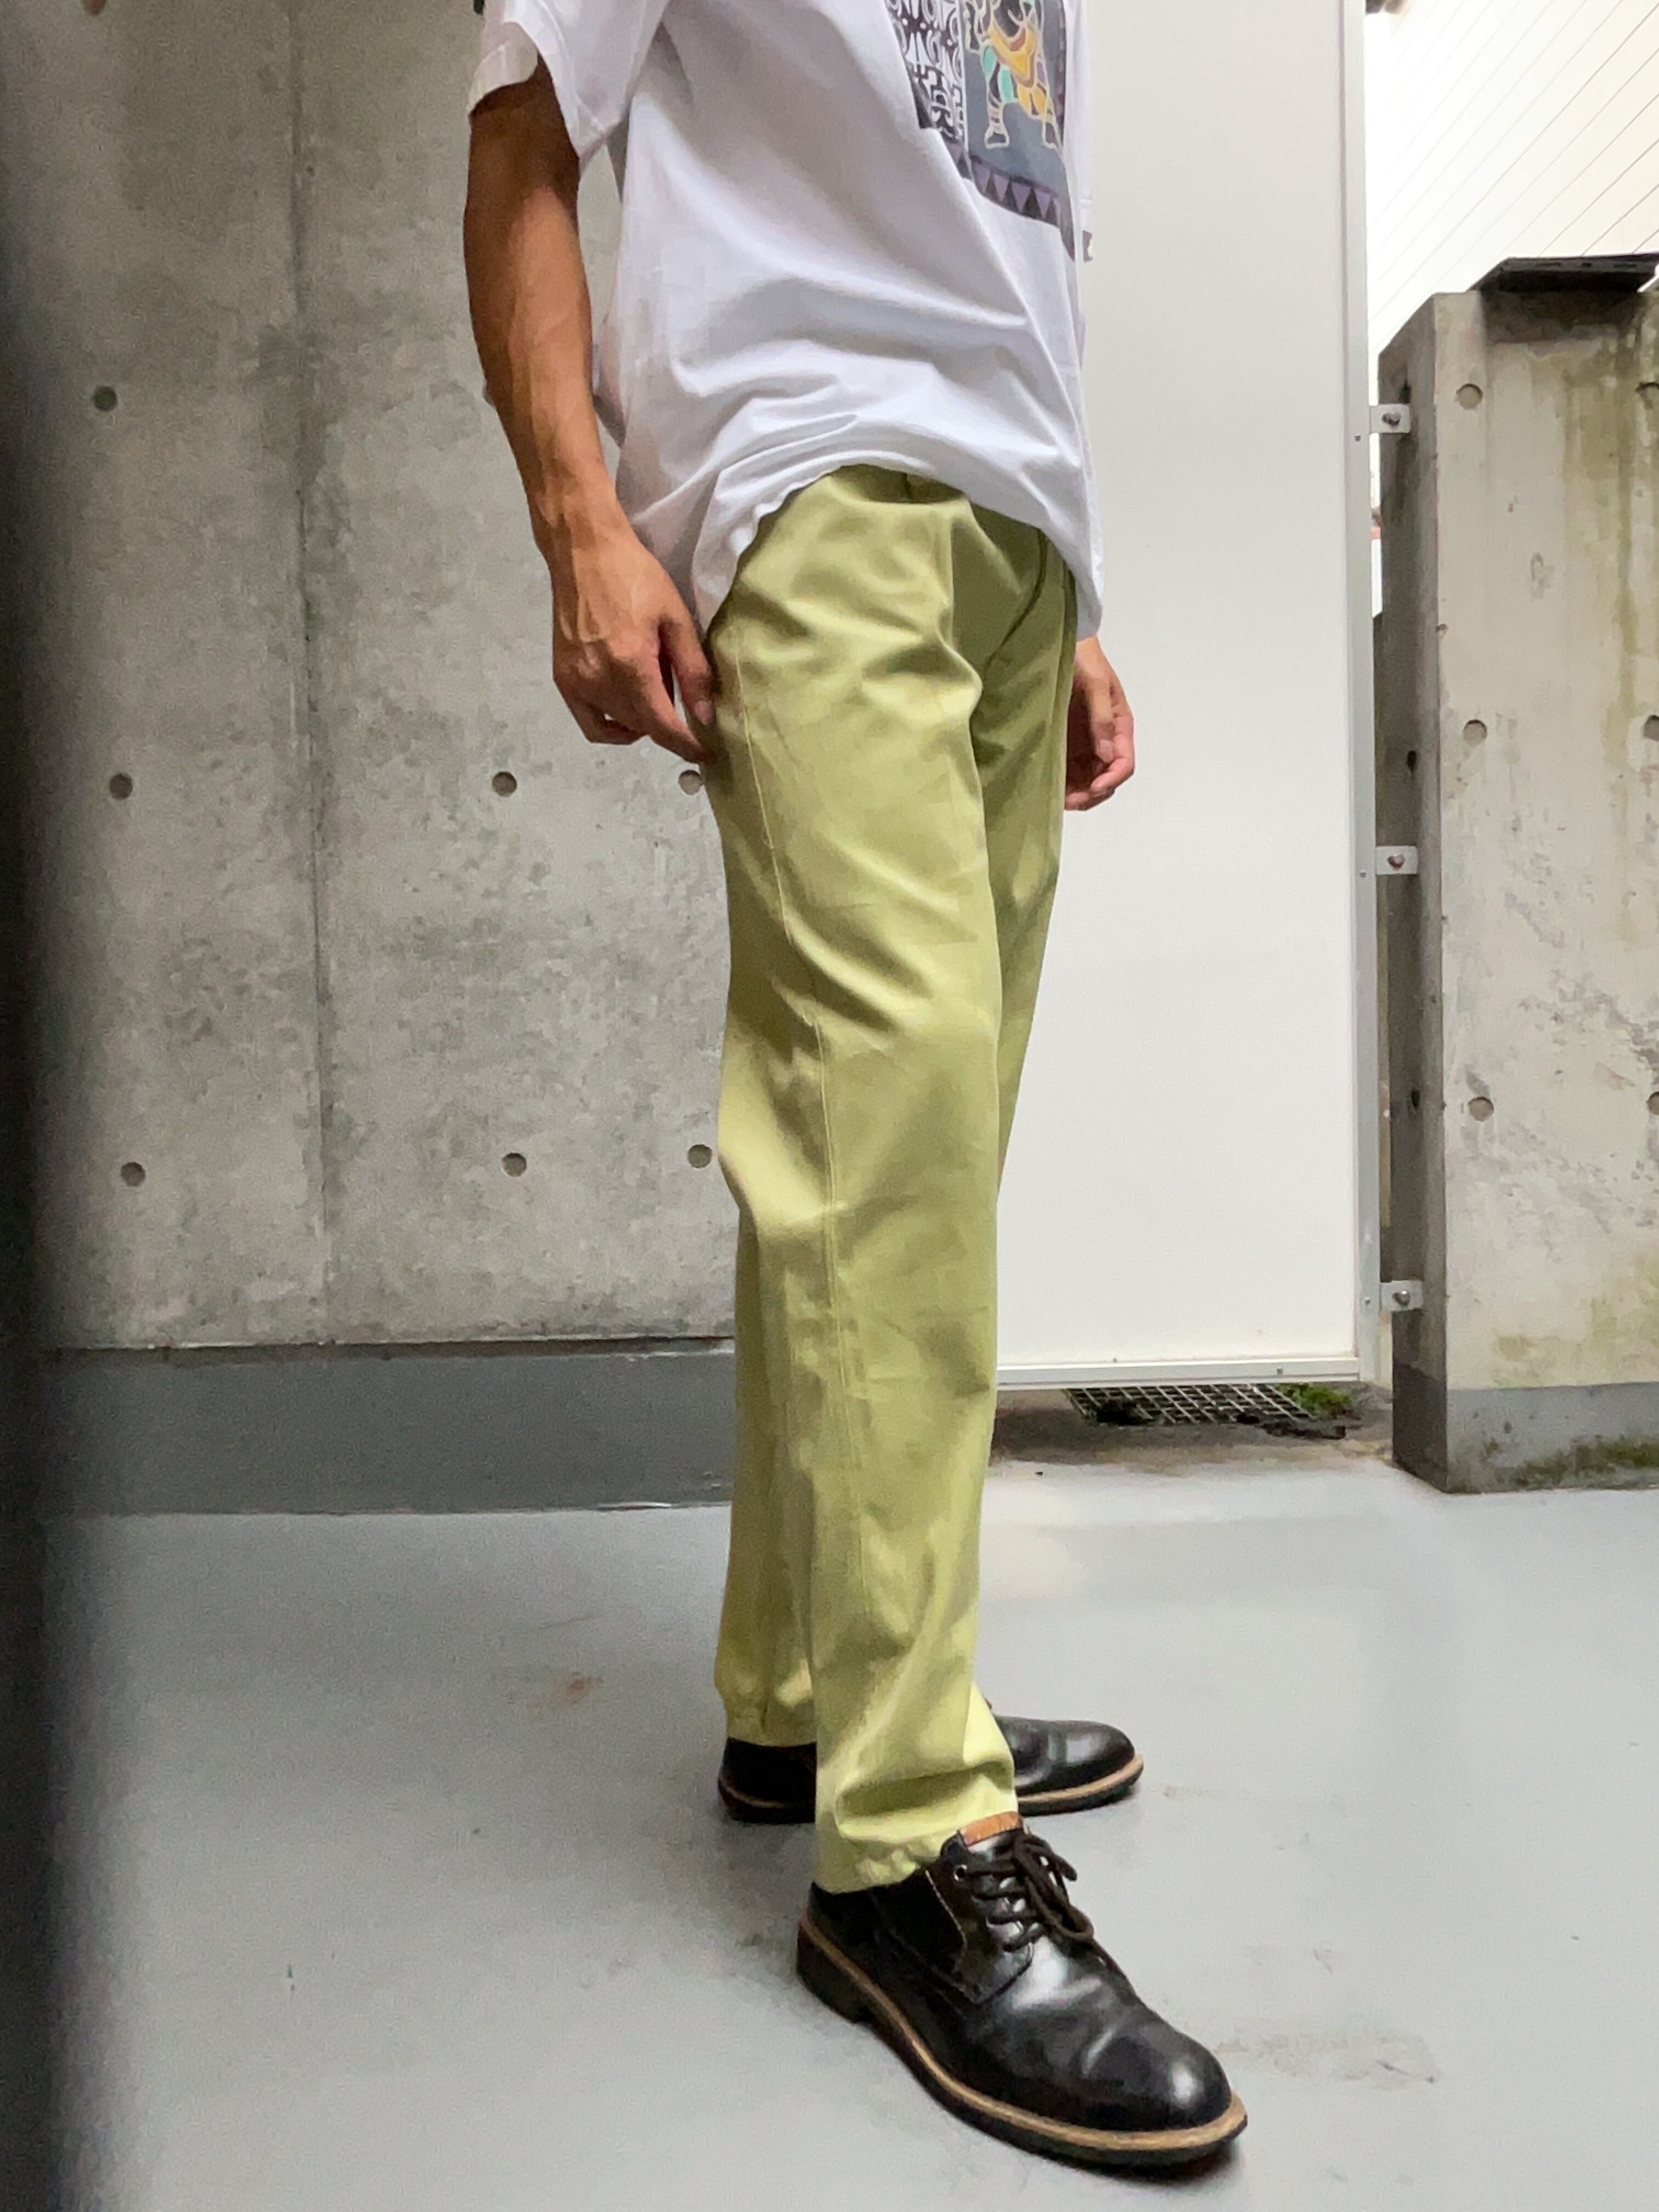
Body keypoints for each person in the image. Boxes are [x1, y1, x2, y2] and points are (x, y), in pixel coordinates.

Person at [463, 0, 1243, 2171]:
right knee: (883, 1163)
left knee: (899, 1162)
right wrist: (581, 521)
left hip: (1007, 541)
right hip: (810, 491)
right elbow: (520, 137)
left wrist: (1064, 572)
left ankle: (806, 1705)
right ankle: (909, 1841)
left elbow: (987, 237)